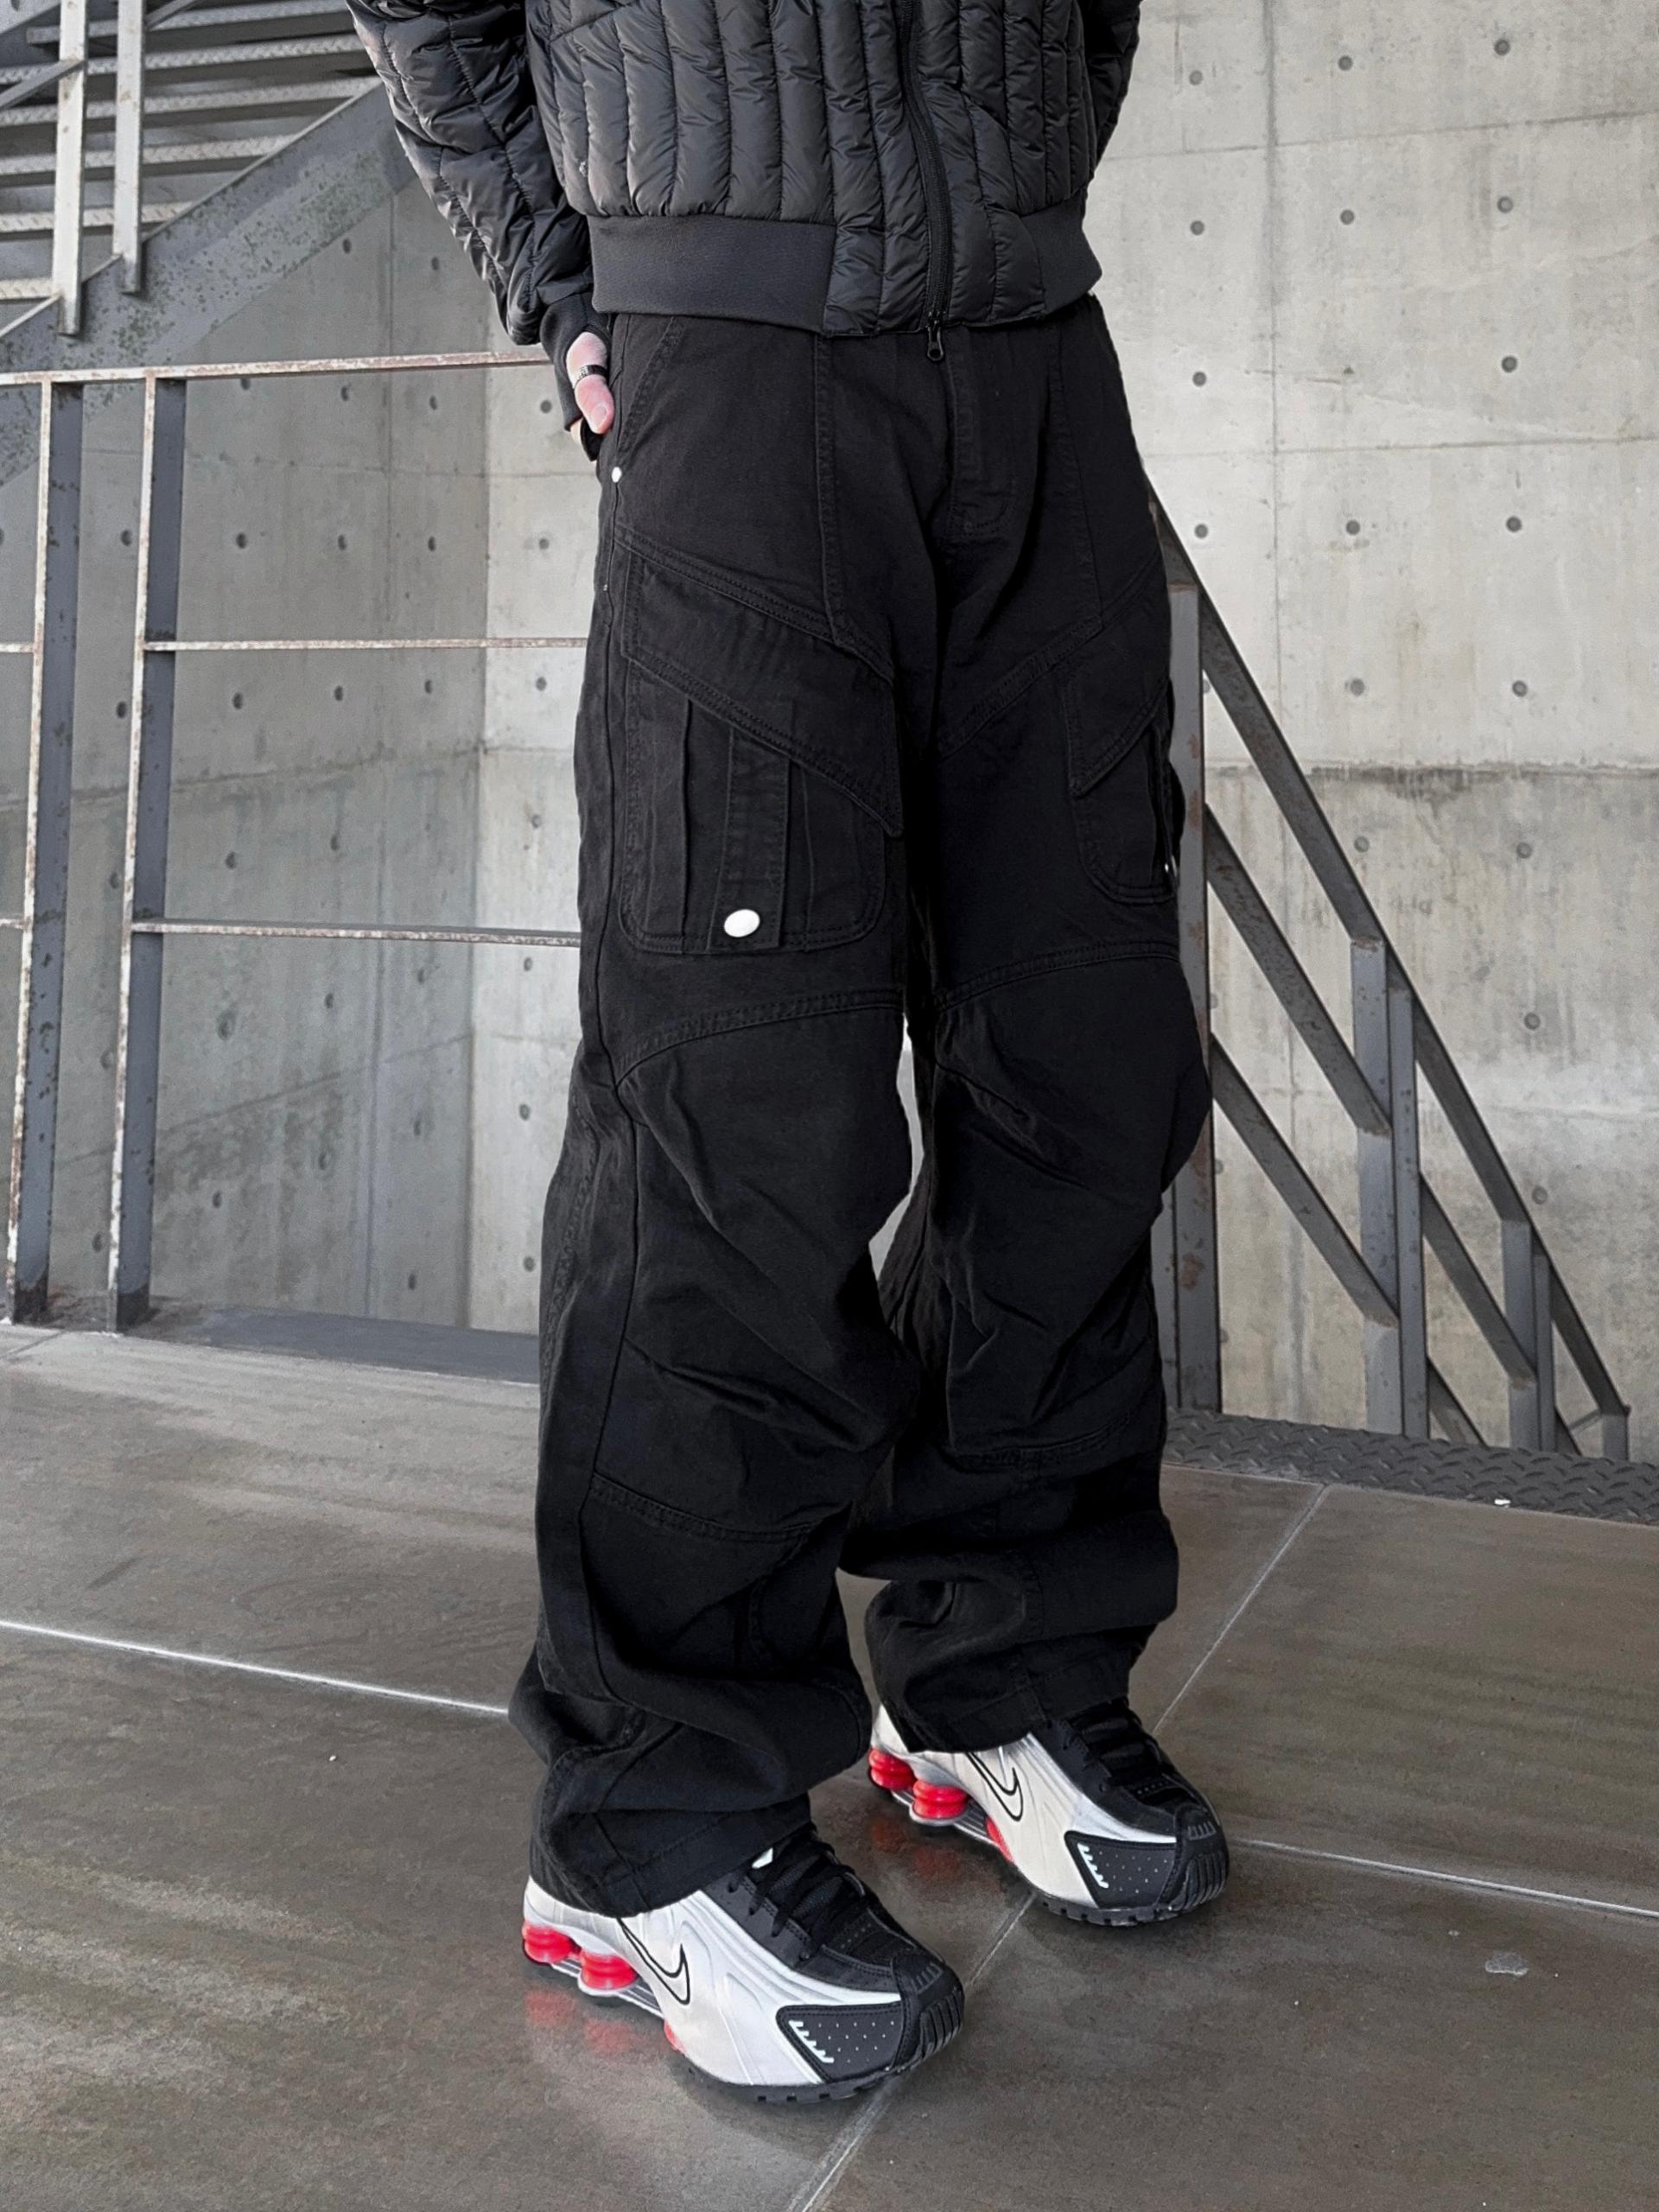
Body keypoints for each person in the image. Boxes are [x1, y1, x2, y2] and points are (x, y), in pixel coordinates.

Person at [346, 0, 1224, 2103]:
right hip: (733, 361)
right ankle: (653, 1818)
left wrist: (1007, 180)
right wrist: (571, 271)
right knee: (742, 1109)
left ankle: (997, 1668)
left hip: (1033, 357)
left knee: (1089, 1057)